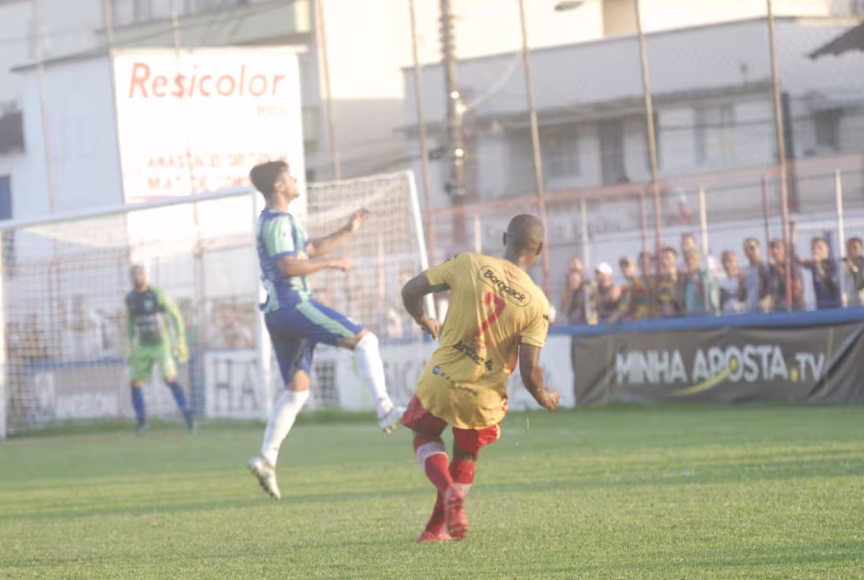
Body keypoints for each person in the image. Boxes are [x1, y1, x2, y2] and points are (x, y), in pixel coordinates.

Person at [246, 160, 404, 500]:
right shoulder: (277, 221)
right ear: (278, 186)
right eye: (289, 176)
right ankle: (385, 409)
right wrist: (332, 264)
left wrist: (348, 230)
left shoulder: (278, 221)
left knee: (297, 391)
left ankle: (266, 458)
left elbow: (310, 249)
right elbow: (289, 265)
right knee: (366, 340)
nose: (295, 179)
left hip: (277, 312)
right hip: (293, 304)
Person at [400, 214, 560, 543]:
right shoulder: (538, 303)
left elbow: (411, 289)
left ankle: (445, 493)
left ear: (504, 239)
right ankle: (434, 530)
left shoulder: (468, 263)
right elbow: (529, 370)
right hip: (484, 397)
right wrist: (542, 395)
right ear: (539, 249)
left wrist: (422, 319)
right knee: (466, 455)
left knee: (424, 432)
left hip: (441, 379)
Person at [125, 264, 194, 436]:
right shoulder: (130, 298)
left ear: (145, 275)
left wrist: (181, 342)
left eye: (140, 274)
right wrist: (129, 347)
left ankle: (189, 419)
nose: (137, 277)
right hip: (143, 346)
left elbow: (176, 317)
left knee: (169, 379)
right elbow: (130, 325)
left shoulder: (157, 293)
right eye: (134, 274)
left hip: (161, 344)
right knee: (135, 382)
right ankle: (142, 422)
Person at [797, 236, 840, 309]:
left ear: (827, 249)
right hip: (820, 307)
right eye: (814, 248)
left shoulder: (832, 264)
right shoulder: (813, 264)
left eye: (820, 248)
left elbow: (828, 284)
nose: (816, 251)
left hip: (834, 307)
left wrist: (817, 265)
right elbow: (802, 262)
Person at [768, 239, 804, 311]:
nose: (774, 251)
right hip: (778, 308)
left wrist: (782, 275)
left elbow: (797, 290)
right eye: (772, 248)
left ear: (784, 249)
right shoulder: (771, 269)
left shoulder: (791, 265)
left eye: (777, 247)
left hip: (794, 308)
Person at [679, 250, 718, 315]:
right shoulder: (687, 279)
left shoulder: (705, 276)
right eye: (687, 260)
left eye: (692, 259)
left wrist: (698, 285)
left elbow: (709, 300)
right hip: (689, 316)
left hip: (702, 316)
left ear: (698, 261)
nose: (689, 262)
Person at [739, 237, 771, 313]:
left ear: (759, 249)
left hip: (765, 312)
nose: (749, 251)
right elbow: (741, 297)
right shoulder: (744, 271)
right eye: (746, 249)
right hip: (750, 312)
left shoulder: (766, 268)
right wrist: (741, 284)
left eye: (752, 248)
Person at [559, 257, 588, 325]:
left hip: (585, 323)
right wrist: (570, 292)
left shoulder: (586, 289)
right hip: (572, 323)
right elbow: (562, 309)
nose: (575, 265)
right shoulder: (566, 291)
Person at [655, 247, 681, 317]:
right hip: (663, 316)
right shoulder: (660, 280)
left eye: (668, 257)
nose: (666, 260)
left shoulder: (681, 276)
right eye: (664, 257)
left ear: (675, 259)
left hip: (678, 316)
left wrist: (673, 278)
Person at [844, 237, 864, 307]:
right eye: (849, 248)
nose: (852, 251)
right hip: (847, 303)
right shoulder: (842, 264)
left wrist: (854, 270)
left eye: (855, 248)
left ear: (860, 249)